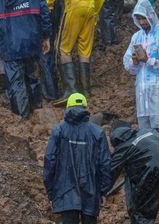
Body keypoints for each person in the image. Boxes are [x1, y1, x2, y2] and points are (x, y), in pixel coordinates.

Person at [43, 93, 111, 224]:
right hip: (91, 191)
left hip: (64, 191)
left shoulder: (59, 131)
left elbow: (50, 160)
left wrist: (51, 191)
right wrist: (102, 191)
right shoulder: (97, 132)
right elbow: (105, 163)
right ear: (85, 108)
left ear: (67, 108)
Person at [123, 0, 159, 145]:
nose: (142, 22)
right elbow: (127, 63)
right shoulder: (136, 37)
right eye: (139, 19)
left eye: (144, 18)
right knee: (146, 136)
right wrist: (134, 62)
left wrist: (149, 61)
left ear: (151, 16)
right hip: (142, 97)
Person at [10, 0, 58, 101]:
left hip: (38, 20)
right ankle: (54, 91)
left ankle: (47, 95)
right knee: (51, 54)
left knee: (42, 57)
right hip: (55, 16)